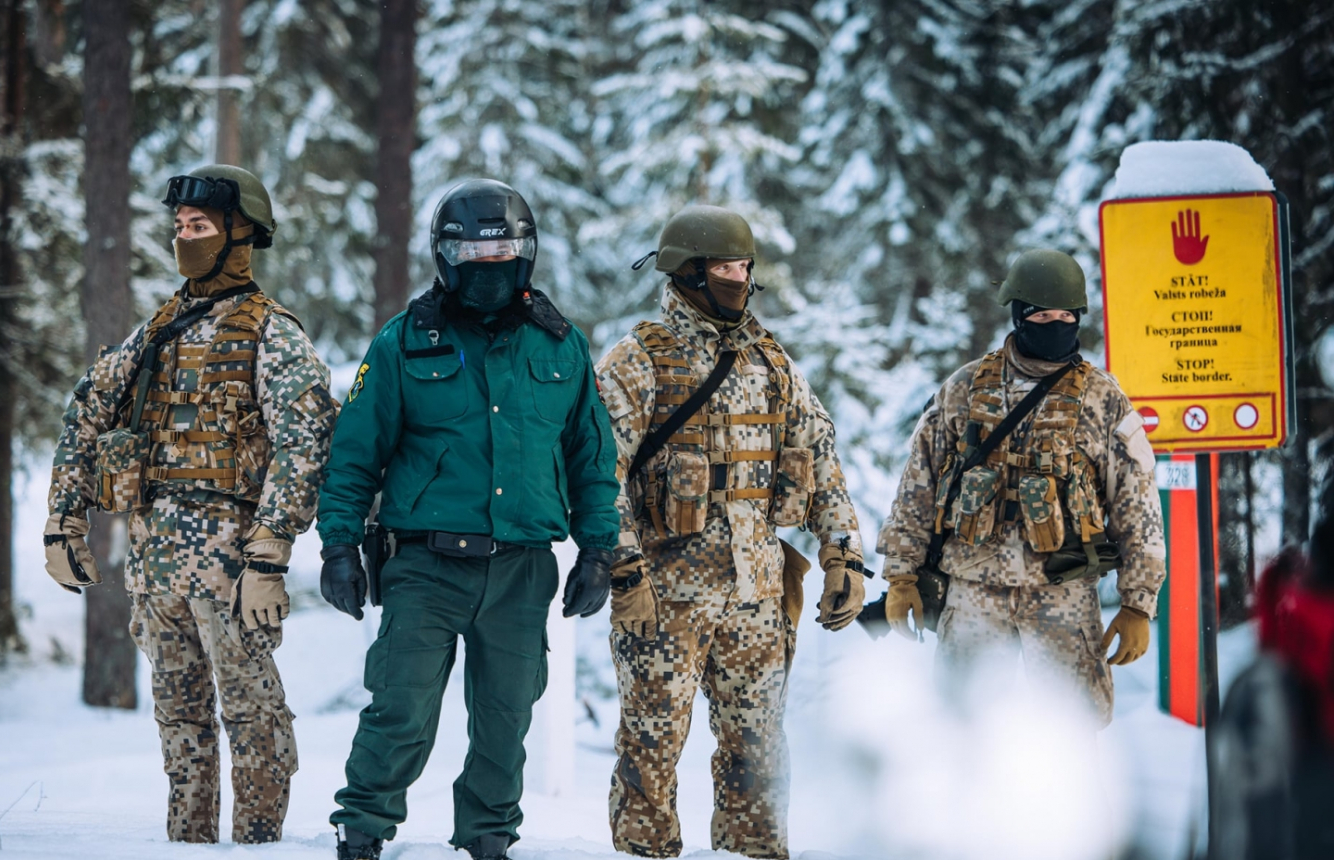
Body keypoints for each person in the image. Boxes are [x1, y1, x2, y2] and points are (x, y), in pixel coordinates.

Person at [314, 178, 620, 860]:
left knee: (506, 716)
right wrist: (338, 544)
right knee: (401, 707)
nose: (490, 264)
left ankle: (488, 836)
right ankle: (361, 828)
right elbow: (355, 454)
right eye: (474, 252)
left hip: (522, 568)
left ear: (526, 251)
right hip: (425, 565)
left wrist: (599, 549)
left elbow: (591, 455)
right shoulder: (403, 342)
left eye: (505, 249)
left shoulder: (559, 346)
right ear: (445, 255)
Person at [43, 165, 337, 843]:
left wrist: (270, 551)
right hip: (154, 570)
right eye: (178, 227)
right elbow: (85, 411)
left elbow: (305, 442)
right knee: (180, 724)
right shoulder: (155, 332)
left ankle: (260, 846)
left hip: (231, 570)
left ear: (241, 234)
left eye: (198, 227)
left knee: (254, 716)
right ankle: (189, 846)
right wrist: (64, 519)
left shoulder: (272, 334)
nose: (184, 238)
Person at [593, 204, 868, 859]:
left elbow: (818, 457)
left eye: (744, 266)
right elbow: (600, 474)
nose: (738, 278)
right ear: (688, 272)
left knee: (759, 750)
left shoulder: (770, 361)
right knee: (651, 745)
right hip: (664, 596)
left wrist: (843, 554)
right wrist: (624, 570)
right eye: (724, 267)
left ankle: (752, 853)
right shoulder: (638, 361)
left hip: (759, 591)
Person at [876, 248, 1166, 725]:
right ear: (1019, 315)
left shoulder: (1101, 397)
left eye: (1065, 315)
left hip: (1062, 594)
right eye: (1042, 314)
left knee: (1072, 733)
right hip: (973, 591)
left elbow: (1137, 504)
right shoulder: (965, 388)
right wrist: (901, 576)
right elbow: (919, 483)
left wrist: (1138, 603)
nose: (1055, 323)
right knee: (959, 729)